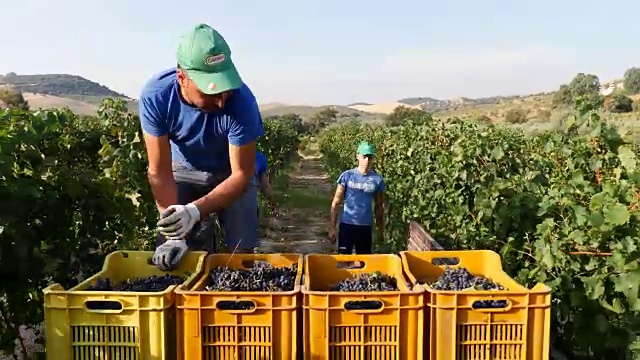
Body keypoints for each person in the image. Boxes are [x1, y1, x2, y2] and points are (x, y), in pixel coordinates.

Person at [139, 23, 264, 271]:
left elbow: (241, 174)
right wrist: (175, 229)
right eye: (210, 91)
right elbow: (159, 170)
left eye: (225, 89)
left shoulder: (242, 102)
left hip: (231, 173)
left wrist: (195, 211)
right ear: (182, 77)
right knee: (177, 254)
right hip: (185, 169)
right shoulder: (157, 96)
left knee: (241, 254)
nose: (220, 101)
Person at [328, 141, 386, 255]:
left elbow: (379, 207)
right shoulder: (347, 176)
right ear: (357, 156)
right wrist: (332, 228)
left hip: (365, 227)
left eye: (370, 157)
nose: (367, 161)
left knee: (364, 262)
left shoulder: (377, 180)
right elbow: (336, 202)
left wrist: (380, 229)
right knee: (344, 259)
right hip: (347, 226)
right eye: (364, 157)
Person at [255, 151, 278, 215]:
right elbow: (265, 185)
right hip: (248, 202)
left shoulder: (258, 158)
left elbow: (265, 185)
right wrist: (272, 202)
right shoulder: (258, 157)